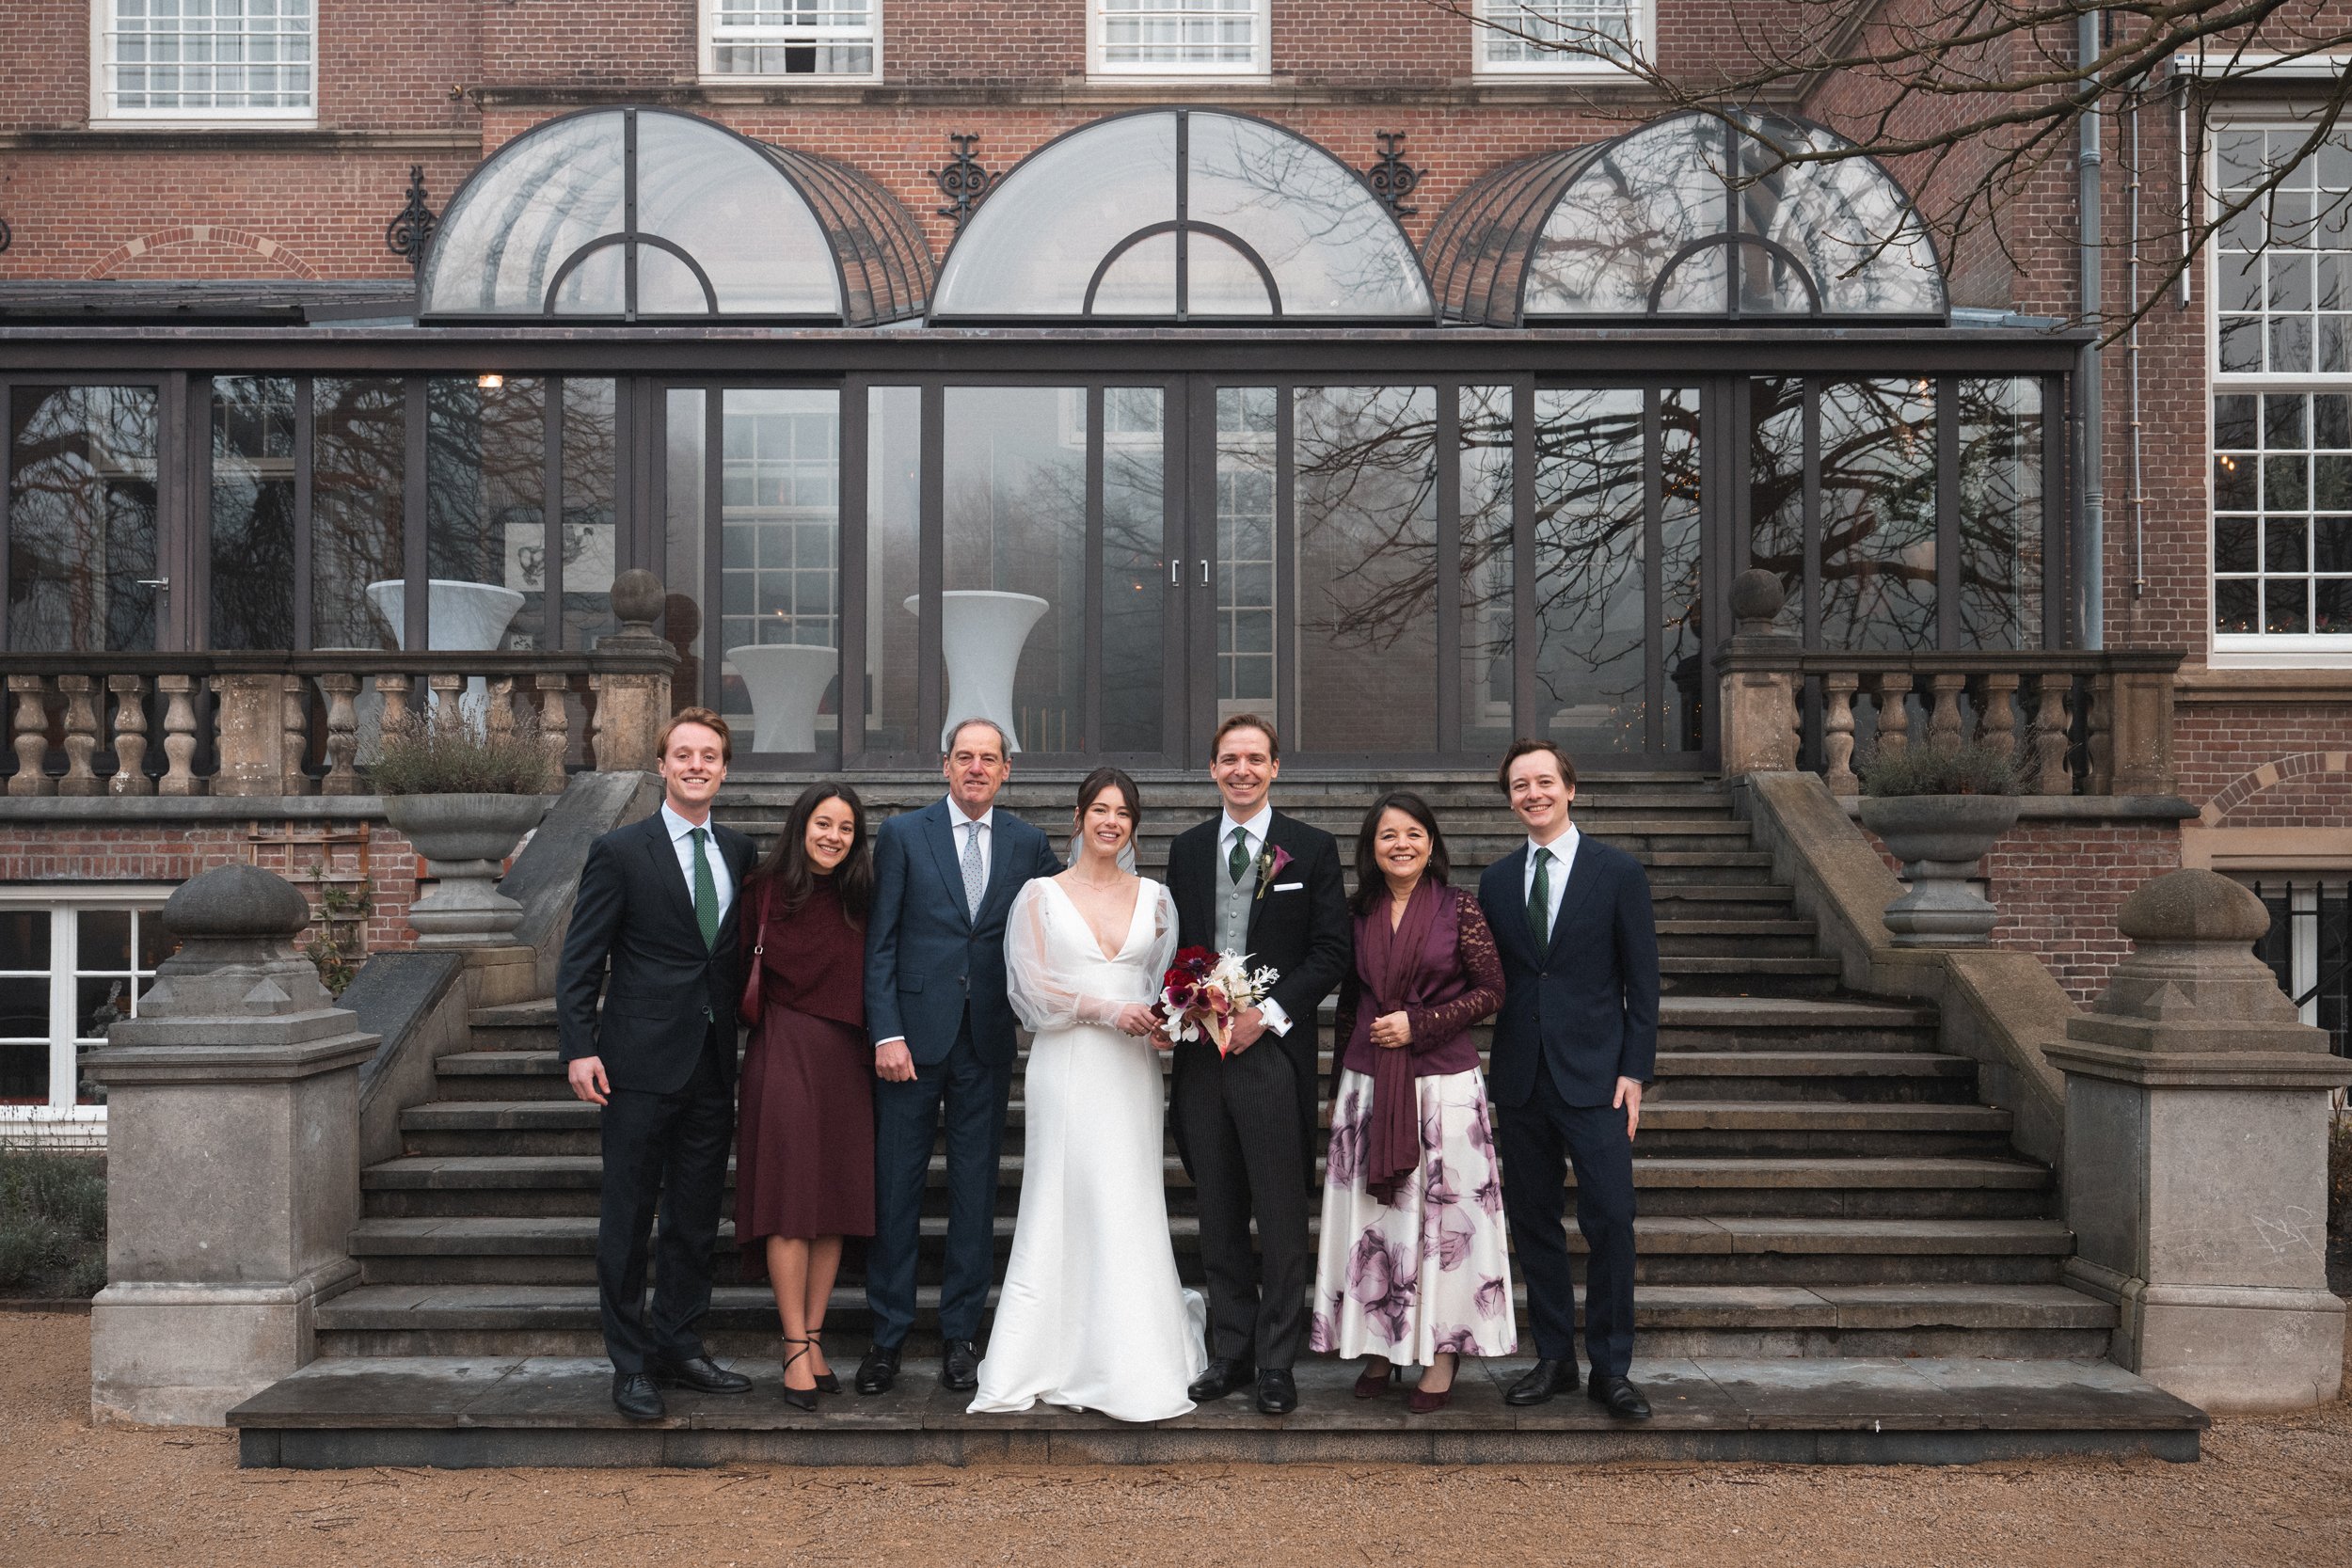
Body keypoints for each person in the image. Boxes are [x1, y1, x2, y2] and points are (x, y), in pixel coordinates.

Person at [969, 768, 1207, 1421]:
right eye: (1098, 809)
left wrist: (1166, 1025)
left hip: (1131, 1069)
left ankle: (1132, 1352)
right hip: (1068, 1062)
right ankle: (1047, 1349)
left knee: (1128, 1197)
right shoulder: (1039, 895)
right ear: (1077, 818)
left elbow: (1160, 987)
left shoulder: (1156, 897)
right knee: (1061, 1196)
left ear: (1133, 824)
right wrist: (1106, 1009)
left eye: (1122, 812)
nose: (1110, 821)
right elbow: (1031, 990)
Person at [556, 707, 758, 1421]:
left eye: (710, 754)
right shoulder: (620, 850)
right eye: (684, 754)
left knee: (696, 1216)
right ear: (663, 766)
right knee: (629, 1214)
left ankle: (679, 1342)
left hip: (711, 1063)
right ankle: (630, 1362)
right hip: (635, 1063)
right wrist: (579, 1046)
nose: (697, 764)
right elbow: (581, 958)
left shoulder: (740, 851)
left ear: (724, 768)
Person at [858, 717, 1063, 1396]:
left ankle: (960, 1335)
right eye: (965, 756)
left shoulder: (1028, 843)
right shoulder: (902, 835)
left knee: (975, 1194)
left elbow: (1059, 923)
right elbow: (880, 940)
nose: (976, 767)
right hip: (909, 1043)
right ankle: (886, 1336)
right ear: (944, 764)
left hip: (985, 1039)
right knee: (898, 1187)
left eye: (990, 758)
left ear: (1009, 770)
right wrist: (885, 1031)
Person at [1165, 714, 1351, 1416]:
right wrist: (1178, 1008)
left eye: (1254, 759)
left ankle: (1277, 1360)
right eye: (1228, 759)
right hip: (1202, 1061)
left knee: (1278, 1214)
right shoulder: (1185, 850)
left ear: (1275, 767)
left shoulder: (1311, 848)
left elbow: (1331, 951)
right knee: (1216, 1210)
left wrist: (1265, 1015)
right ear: (1213, 769)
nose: (1241, 770)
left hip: (1273, 1056)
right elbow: (1175, 942)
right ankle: (1229, 1349)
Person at [1475, 739, 1660, 1420]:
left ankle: (1611, 1368)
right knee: (1534, 1220)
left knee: (1612, 1217)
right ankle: (1554, 1355)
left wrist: (1635, 1069)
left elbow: (1643, 983)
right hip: (1522, 1077)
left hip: (1598, 1078)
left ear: (1570, 788)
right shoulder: (1496, 881)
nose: (1533, 793)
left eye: (1544, 781)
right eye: (1520, 784)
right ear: (1511, 798)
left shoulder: (1617, 872)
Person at [1309, 791, 1511, 1413]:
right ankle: (1379, 1343)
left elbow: (1491, 989)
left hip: (1443, 1087)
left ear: (1431, 842)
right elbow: (1348, 1003)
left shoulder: (1460, 908)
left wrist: (1417, 1024)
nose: (1401, 844)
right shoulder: (1357, 912)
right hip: (1369, 1084)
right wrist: (1341, 1089)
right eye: (1387, 835)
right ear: (1371, 848)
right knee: (1378, 1222)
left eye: (1413, 833)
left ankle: (1443, 1351)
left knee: (1442, 1222)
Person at [733, 781, 875, 1411]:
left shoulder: (860, 896)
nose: (833, 837)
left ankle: (815, 1335)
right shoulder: (762, 891)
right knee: (790, 1200)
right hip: (784, 1050)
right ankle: (791, 1342)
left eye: (846, 828)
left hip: (847, 1056)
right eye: (824, 824)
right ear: (801, 825)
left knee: (835, 1201)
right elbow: (733, 971)